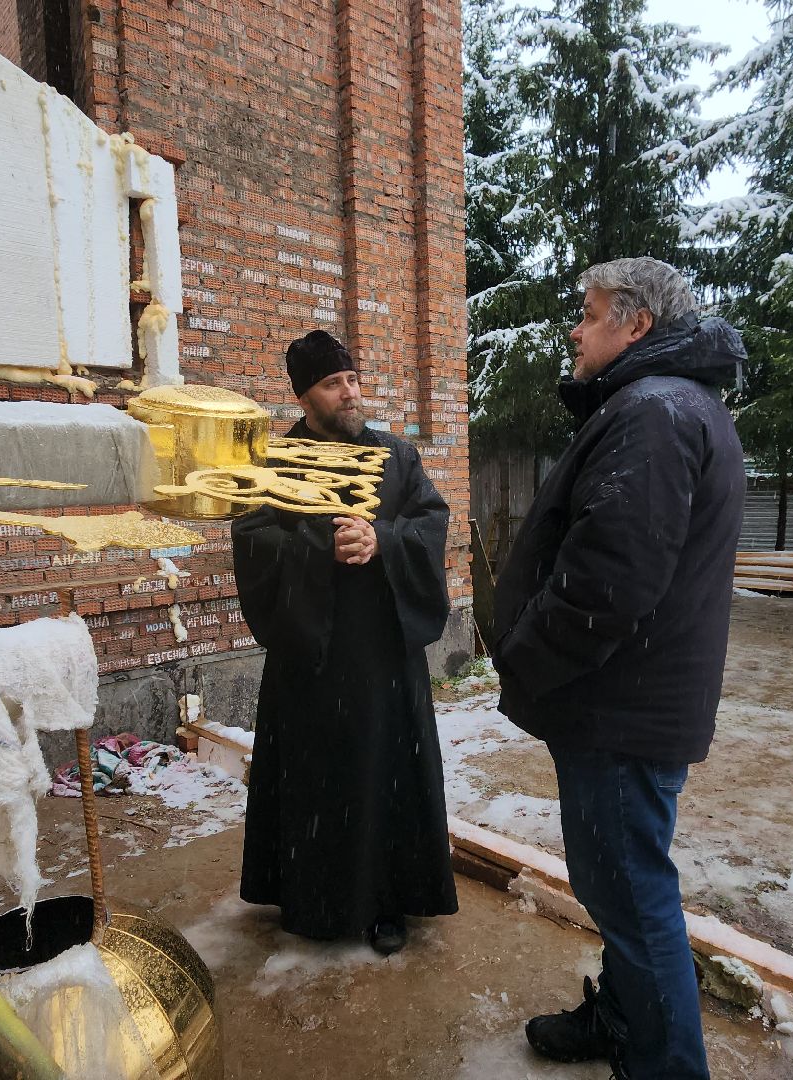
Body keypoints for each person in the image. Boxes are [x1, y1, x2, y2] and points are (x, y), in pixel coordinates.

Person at [492, 258, 746, 1078]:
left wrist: (524, 658)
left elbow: (608, 582)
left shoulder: (655, 413)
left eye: (588, 312)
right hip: (627, 703)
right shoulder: (665, 404)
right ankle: (626, 1021)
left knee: (634, 900)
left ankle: (665, 1063)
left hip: (620, 710)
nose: (574, 327)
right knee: (621, 891)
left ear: (635, 325)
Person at [231, 329, 458, 955]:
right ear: (305, 397)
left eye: (352, 379)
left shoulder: (395, 458)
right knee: (318, 780)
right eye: (334, 383)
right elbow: (252, 540)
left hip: (382, 653)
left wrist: (383, 538)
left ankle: (389, 902)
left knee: (387, 776)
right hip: (312, 656)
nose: (350, 392)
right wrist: (319, 548)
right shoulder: (275, 467)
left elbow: (430, 520)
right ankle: (315, 898)